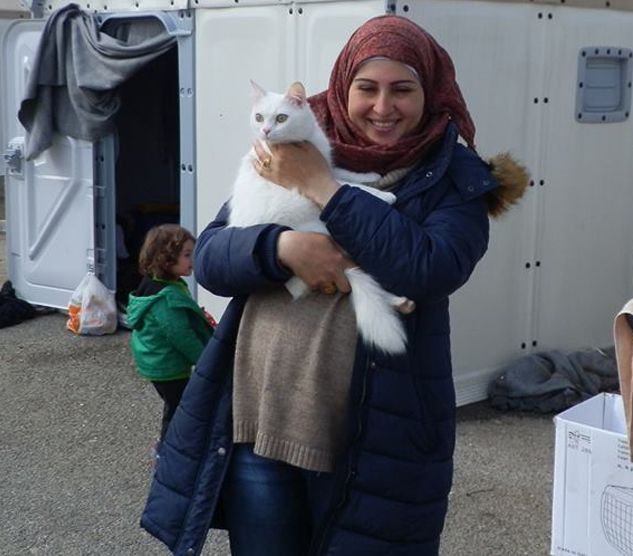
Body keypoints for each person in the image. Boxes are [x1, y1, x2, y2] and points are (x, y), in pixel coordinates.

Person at [141, 14, 527, 555]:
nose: (383, 106)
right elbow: (209, 258)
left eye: (403, 90)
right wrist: (280, 249)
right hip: (258, 414)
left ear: (431, 92)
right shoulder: (293, 140)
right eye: (367, 88)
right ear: (344, 86)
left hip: (371, 437)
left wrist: (323, 187)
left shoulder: (455, 176)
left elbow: (431, 268)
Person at [125, 224, 214, 441]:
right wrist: (206, 361)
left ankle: (171, 447)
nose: (193, 259)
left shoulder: (164, 285)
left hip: (157, 361)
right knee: (180, 408)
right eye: (187, 255)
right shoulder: (165, 298)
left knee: (176, 405)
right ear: (165, 259)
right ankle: (168, 450)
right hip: (167, 367)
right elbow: (181, 335)